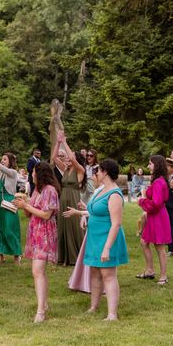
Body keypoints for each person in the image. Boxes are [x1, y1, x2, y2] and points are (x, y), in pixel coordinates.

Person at [68, 160, 128, 320]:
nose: (95, 175)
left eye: (97, 171)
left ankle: (112, 313)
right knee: (94, 272)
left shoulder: (114, 194)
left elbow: (116, 224)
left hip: (107, 237)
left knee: (108, 274)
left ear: (105, 172)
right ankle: (93, 306)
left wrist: (107, 248)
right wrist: (80, 211)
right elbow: (95, 211)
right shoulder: (101, 190)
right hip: (94, 237)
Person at [14, 162, 59, 323]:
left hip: (45, 234)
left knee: (37, 270)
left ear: (40, 174)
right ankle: (44, 304)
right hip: (35, 233)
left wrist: (27, 205)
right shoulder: (37, 191)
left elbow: (46, 215)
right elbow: (30, 214)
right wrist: (23, 205)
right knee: (39, 272)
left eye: (33, 172)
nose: (31, 175)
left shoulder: (50, 191)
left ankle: (40, 311)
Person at [51, 131, 86, 265]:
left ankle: (75, 256)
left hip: (73, 200)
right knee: (62, 226)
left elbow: (72, 158)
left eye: (70, 159)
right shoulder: (65, 169)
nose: (67, 159)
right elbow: (54, 158)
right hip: (63, 199)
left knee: (73, 227)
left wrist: (64, 141)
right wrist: (58, 142)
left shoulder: (80, 171)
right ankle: (63, 257)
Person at [137, 155, 172, 285]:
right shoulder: (158, 180)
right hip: (154, 216)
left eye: (150, 164)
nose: (148, 166)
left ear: (156, 165)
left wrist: (142, 200)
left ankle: (163, 276)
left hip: (158, 217)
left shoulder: (159, 182)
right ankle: (150, 270)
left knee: (160, 247)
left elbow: (156, 204)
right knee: (144, 242)